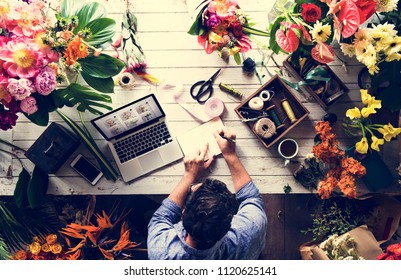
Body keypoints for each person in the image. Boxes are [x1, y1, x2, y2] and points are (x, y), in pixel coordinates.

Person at [147, 126, 267, 259]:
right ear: (230, 221)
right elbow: (251, 198)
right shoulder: (251, 229)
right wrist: (230, 154)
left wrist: (189, 175)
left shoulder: (160, 250)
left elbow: (161, 217)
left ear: (183, 212)